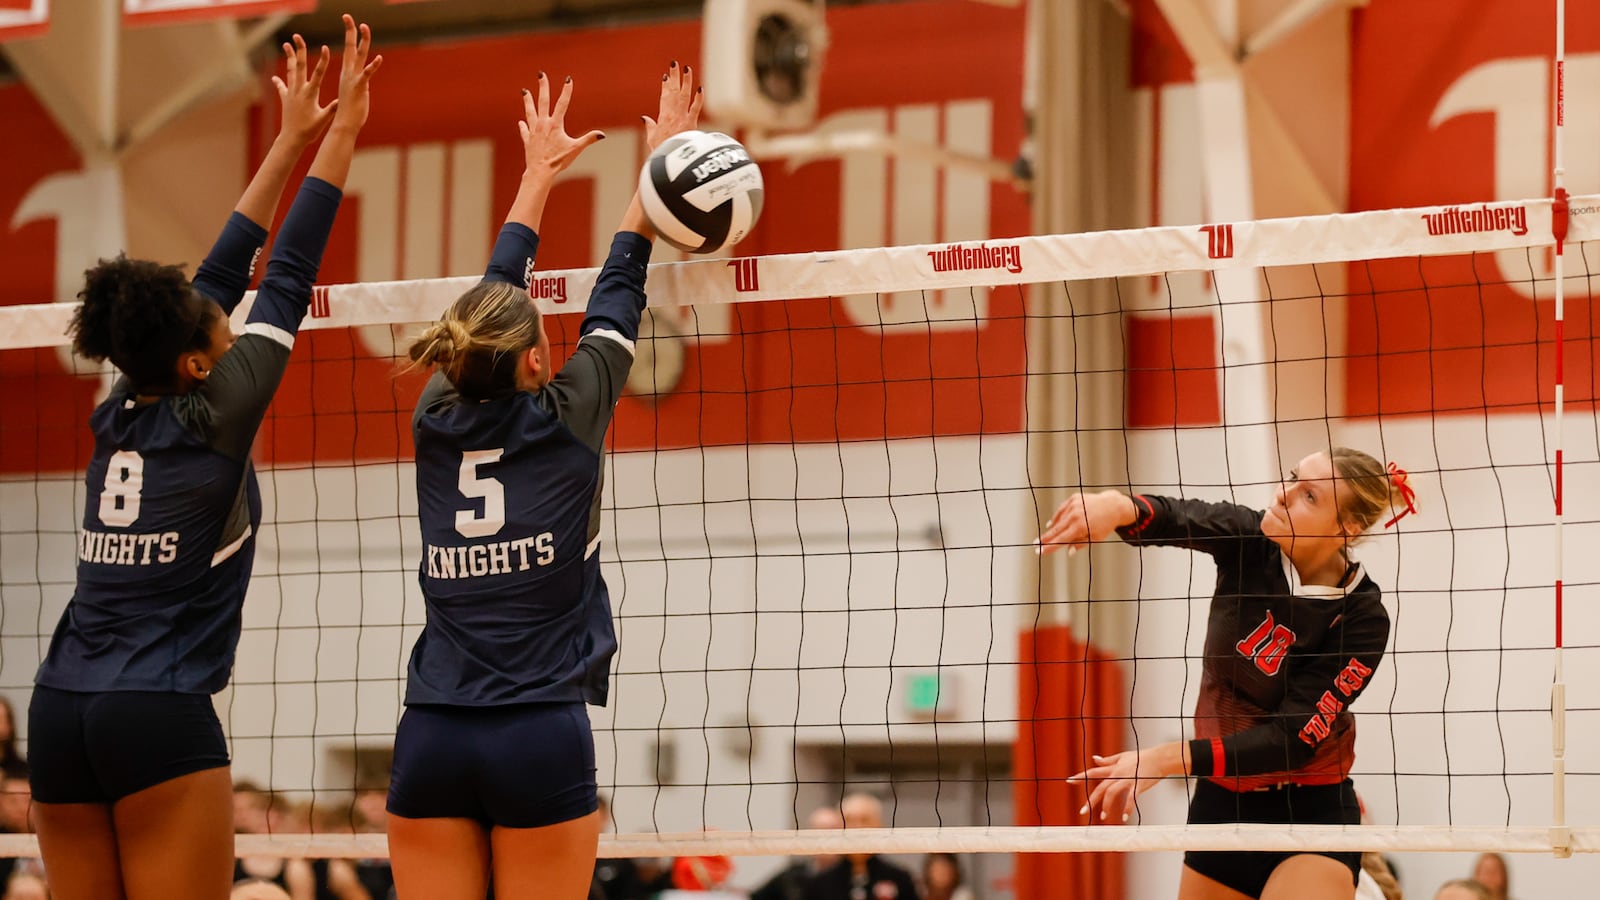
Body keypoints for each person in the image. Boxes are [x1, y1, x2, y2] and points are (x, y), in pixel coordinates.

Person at [24, 17, 380, 900]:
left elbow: (224, 269)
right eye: (212, 317)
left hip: (60, 710)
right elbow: (286, 270)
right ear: (196, 359)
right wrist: (339, 136)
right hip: (155, 714)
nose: (221, 305)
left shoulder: (120, 406)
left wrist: (291, 136)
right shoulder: (222, 405)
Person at [384, 62, 702, 900]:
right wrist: (655, 171)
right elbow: (621, 284)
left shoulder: (433, 420)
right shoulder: (569, 419)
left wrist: (534, 176)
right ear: (536, 361)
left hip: (432, 734)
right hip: (537, 735)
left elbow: (492, 303)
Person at [1039, 448, 1417, 900]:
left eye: (1309, 495)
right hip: (1222, 805)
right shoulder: (1250, 540)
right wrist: (1117, 506)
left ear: (1347, 527)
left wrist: (1169, 758)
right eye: (1292, 478)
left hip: (1309, 812)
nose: (1282, 494)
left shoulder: (1361, 616)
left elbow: (1292, 739)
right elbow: (1182, 517)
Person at [802, 793, 919, 900]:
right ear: (838, 827)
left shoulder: (900, 878)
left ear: (879, 825)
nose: (856, 827)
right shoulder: (820, 883)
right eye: (849, 820)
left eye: (864, 819)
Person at [749, 805, 845, 900]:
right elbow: (756, 896)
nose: (824, 838)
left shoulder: (850, 874)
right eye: (819, 831)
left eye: (831, 830)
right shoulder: (792, 874)